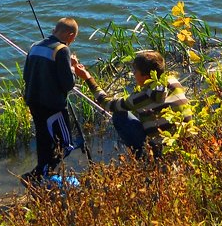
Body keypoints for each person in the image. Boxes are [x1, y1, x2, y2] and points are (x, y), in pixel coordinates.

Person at [73, 49, 193, 158]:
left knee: (119, 115)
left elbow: (108, 104)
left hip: (161, 151)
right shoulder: (173, 81)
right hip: (187, 143)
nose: (133, 74)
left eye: (135, 71)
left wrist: (87, 78)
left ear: (146, 76)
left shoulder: (142, 97)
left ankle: (142, 156)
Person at [22, 17, 81, 183]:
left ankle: (40, 174)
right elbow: (68, 84)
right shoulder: (62, 50)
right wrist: (73, 68)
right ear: (70, 35)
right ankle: (40, 174)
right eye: (73, 39)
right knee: (66, 143)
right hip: (53, 106)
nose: (72, 42)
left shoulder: (34, 47)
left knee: (44, 139)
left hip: (34, 102)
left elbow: (26, 76)